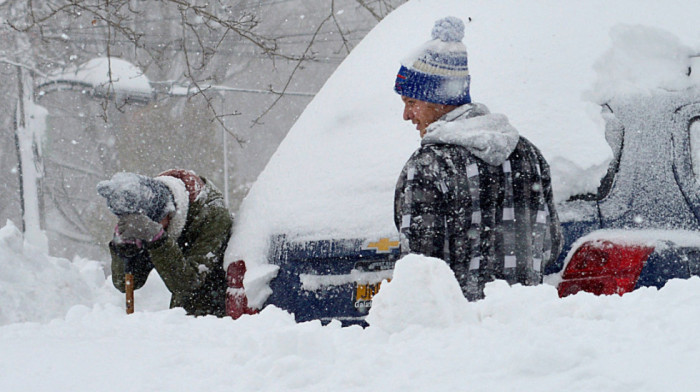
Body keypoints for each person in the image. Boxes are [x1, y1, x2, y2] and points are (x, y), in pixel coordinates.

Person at [393, 16, 562, 301]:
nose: (407, 116)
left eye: (412, 103)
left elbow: (419, 271)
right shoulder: (529, 155)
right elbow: (550, 246)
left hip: (461, 336)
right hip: (523, 328)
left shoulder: (428, 166)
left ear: (439, 100)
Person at [97, 169, 233, 316]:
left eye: (155, 223)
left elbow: (188, 283)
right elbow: (126, 283)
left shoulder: (212, 216)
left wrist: (157, 239)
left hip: (220, 317)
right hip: (181, 316)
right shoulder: (148, 204)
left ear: (168, 212)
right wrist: (124, 249)